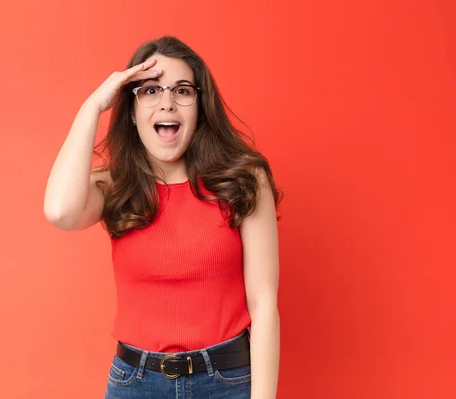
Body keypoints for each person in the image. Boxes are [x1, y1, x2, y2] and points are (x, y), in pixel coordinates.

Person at [44, 36, 282, 398]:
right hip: (135, 384)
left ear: (200, 106)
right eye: (151, 91)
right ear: (132, 110)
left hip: (226, 382)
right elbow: (60, 211)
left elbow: (264, 305)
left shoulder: (244, 180)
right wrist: (93, 106)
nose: (167, 103)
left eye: (182, 90)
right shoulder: (115, 185)